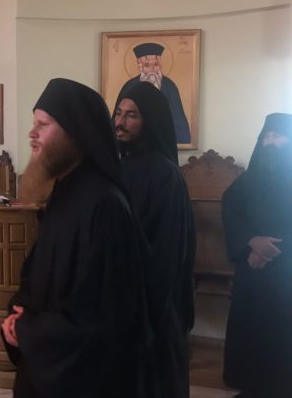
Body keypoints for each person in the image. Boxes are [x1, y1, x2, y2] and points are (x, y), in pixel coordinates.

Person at [1, 78, 150, 398]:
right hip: (45, 366)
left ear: (75, 133)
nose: (32, 133)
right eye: (33, 123)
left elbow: (103, 320)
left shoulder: (106, 206)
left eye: (43, 124)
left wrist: (29, 330)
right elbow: (38, 275)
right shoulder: (64, 191)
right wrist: (18, 313)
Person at [113, 81, 196, 398]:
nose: (121, 122)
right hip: (124, 302)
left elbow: (167, 254)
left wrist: (145, 313)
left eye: (132, 115)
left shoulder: (166, 175)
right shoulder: (118, 166)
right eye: (118, 112)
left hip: (155, 307)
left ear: (150, 120)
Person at [221, 113, 292, 398]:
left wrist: (270, 251)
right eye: (268, 136)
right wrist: (250, 242)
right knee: (251, 330)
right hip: (252, 273)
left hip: (286, 274)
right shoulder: (246, 182)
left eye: (279, 136)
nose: (272, 142)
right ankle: (251, 387)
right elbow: (230, 209)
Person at [118, 42, 191, 144]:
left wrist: (181, 141)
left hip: (163, 141)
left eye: (156, 65)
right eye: (147, 65)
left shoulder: (169, 86)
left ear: (160, 65)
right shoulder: (130, 86)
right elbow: (119, 118)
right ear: (140, 66)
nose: (152, 69)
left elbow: (178, 118)